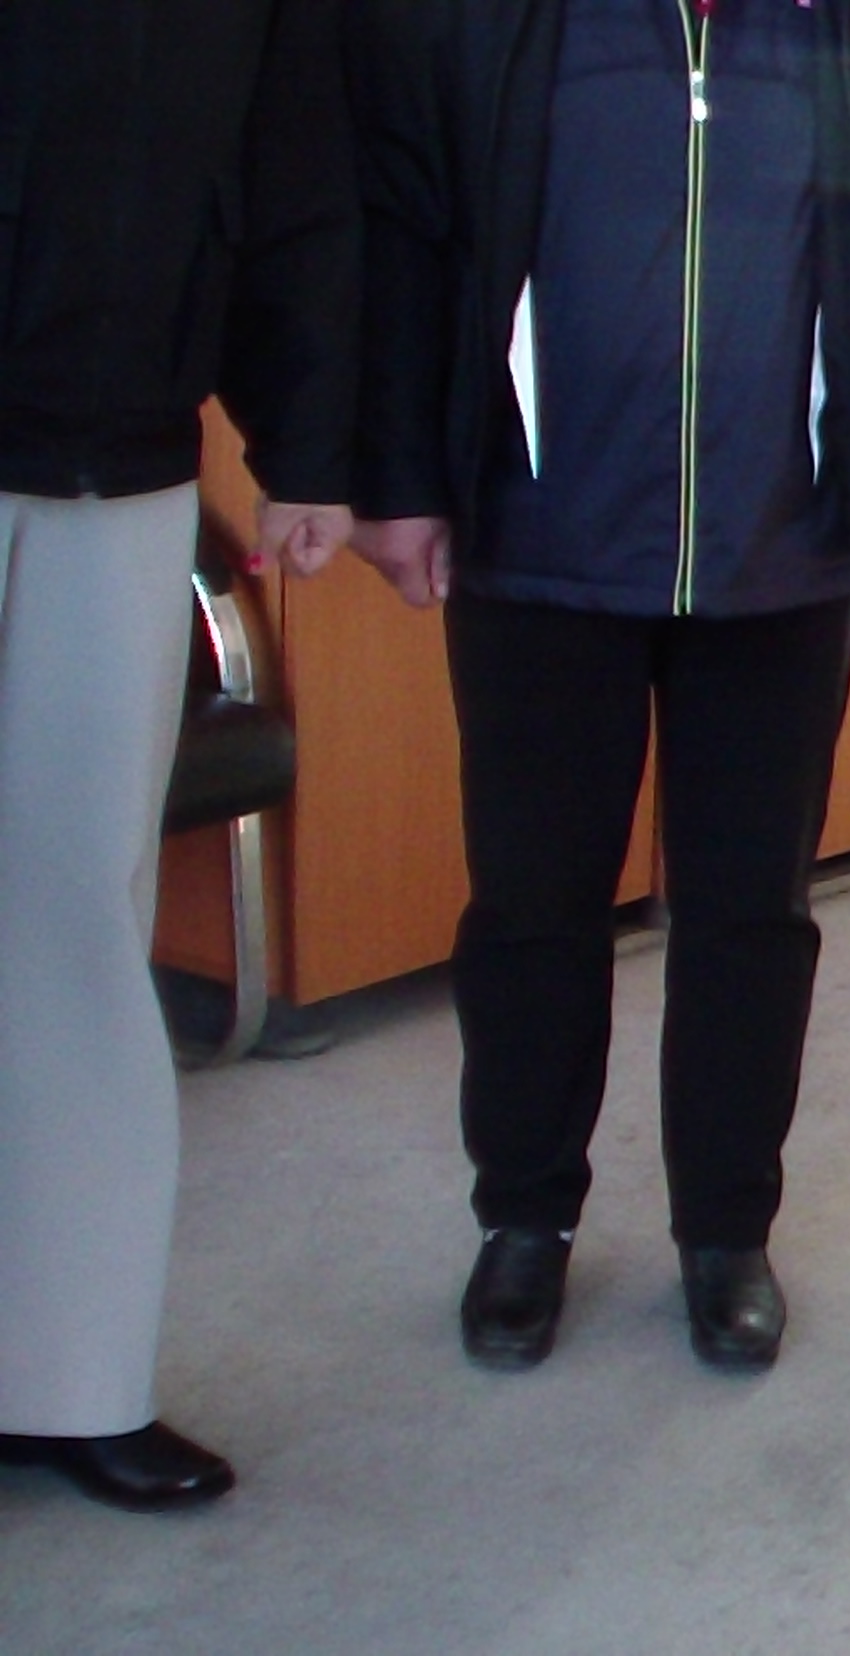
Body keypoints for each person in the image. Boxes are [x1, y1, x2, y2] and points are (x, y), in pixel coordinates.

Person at [343, 0, 850, 1372]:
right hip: (537, 539)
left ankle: (726, 1232)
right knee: (531, 904)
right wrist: (397, 475)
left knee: (751, 911)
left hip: (780, 547)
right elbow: (397, 236)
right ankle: (524, 1218)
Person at [0, 0, 357, 1509]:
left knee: (75, 930)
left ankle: (67, 1379)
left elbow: (298, 190)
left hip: (121, 465)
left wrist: (311, 446)